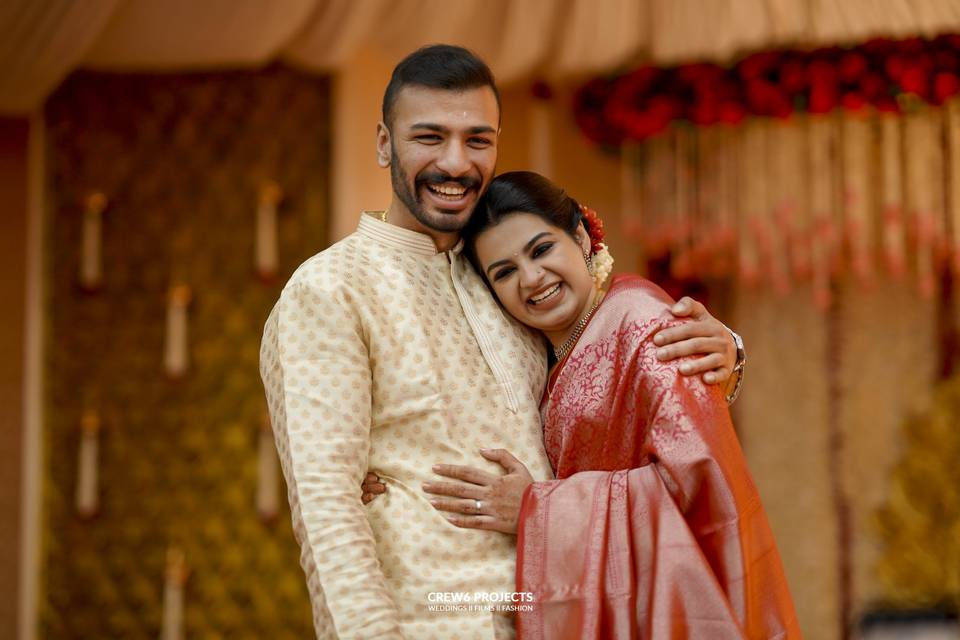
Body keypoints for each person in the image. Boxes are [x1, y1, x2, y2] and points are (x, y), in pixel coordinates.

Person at [260, 45, 743, 639]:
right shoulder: (331, 290)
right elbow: (327, 507)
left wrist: (727, 353)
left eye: (478, 140)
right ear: (385, 143)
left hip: (562, 617)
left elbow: (607, 394)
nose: (455, 163)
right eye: (429, 137)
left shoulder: (502, 279)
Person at [391, 171, 800, 638]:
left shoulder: (643, 324)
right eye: (504, 272)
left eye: (541, 249)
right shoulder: (530, 359)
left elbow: (695, 488)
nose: (532, 278)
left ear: (581, 236)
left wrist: (537, 509)